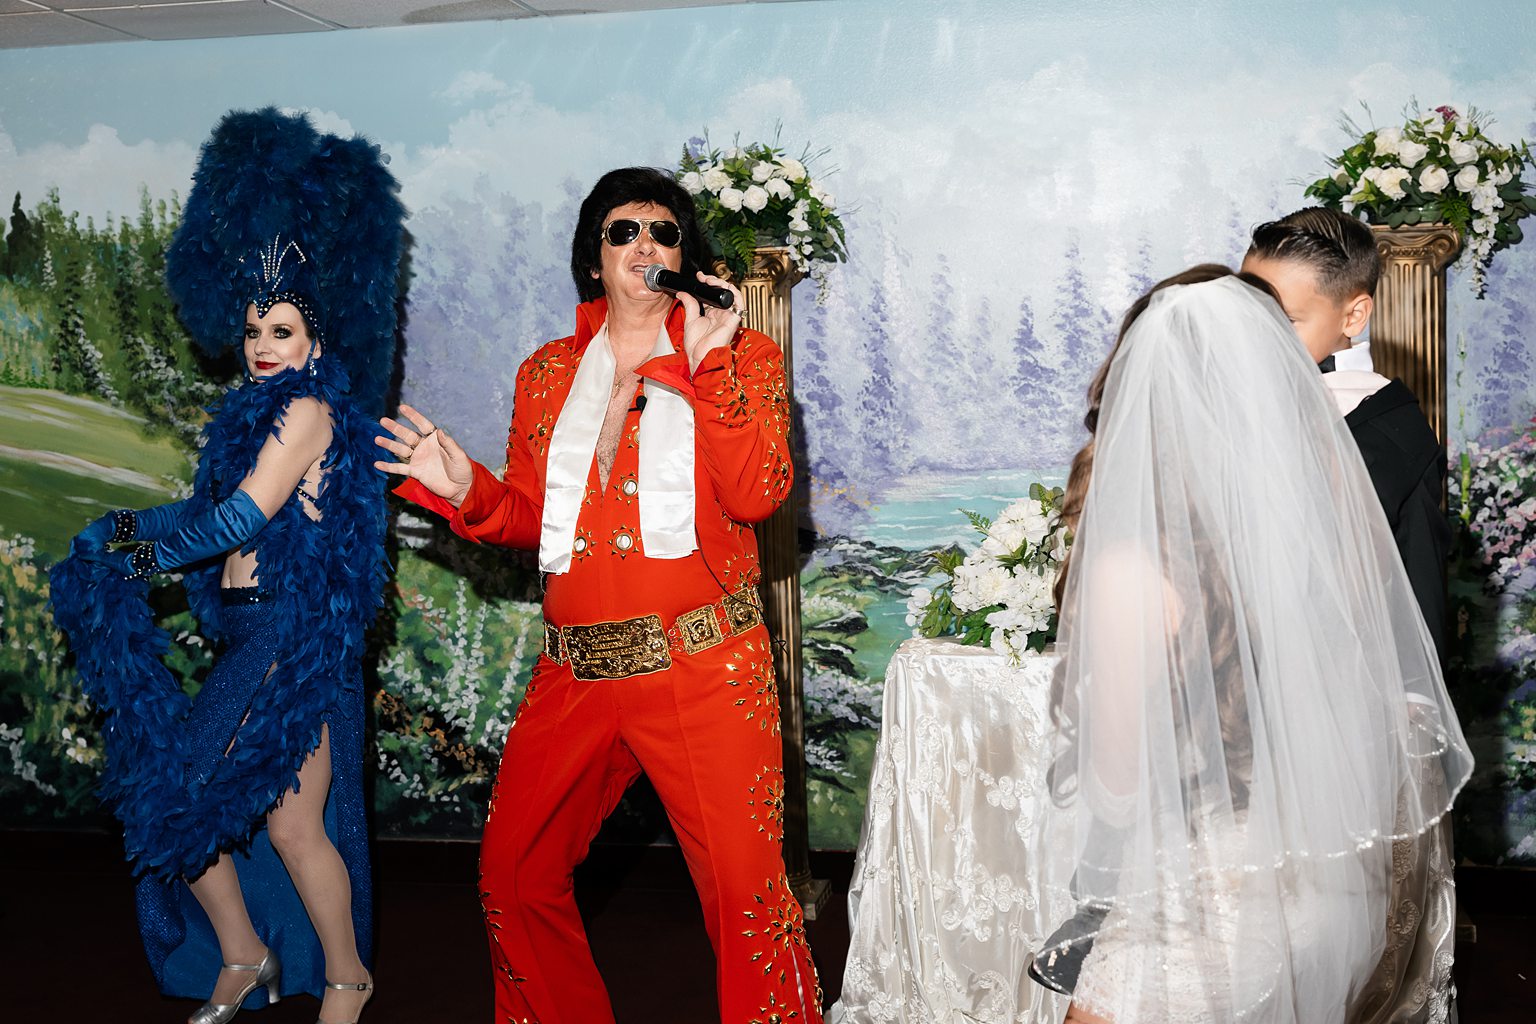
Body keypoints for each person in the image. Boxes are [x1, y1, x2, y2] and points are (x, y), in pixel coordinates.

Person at [377, 166, 823, 1023]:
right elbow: (530, 517)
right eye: (624, 232)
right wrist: (460, 483)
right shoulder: (547, 374)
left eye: (663, 232)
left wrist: (710, 362)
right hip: (575, 675)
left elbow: (759, 493)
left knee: (746, 898)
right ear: (594, 261)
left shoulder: (740, 358)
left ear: (682, 258)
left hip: (705, 669)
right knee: (513, 874)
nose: (645, 244)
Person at [1033, 267, 1471, 1023]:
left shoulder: (1132, 568)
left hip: (1195, 906)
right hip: (1303, 888)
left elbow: (1119, 786)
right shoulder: (1310, 521)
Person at [50, 109, 403, 1024]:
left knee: (247, 814)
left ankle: (344, 977)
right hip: (249, 633)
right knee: (222, 812)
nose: (261, 344)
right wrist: (113, 537)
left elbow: (245, 515)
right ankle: (246, 956)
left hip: (293, 641)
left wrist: (142, 553)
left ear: (316, 342)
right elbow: (214, 513)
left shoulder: (307, 415)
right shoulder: (251, 414)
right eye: (253, 328)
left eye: (280, 329)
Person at [1241, 208, 1449, 660]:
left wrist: (1416, 701)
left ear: (1353, 316)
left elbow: (1420, 576)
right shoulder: (1228, 399)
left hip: (1346, 670)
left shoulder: (1393, 430)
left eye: (1288, 320)